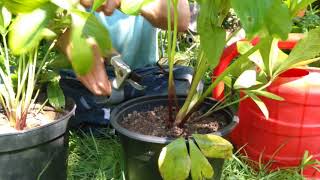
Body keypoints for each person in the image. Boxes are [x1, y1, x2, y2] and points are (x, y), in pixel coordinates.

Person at [60, 0, 192, 127]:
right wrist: (77, 45)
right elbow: (54, 21)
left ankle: (112, 108)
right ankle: (134, 104)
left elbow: (181, 18)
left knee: (184, 79)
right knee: (72, 93)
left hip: (142, 74)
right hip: (84, 79)